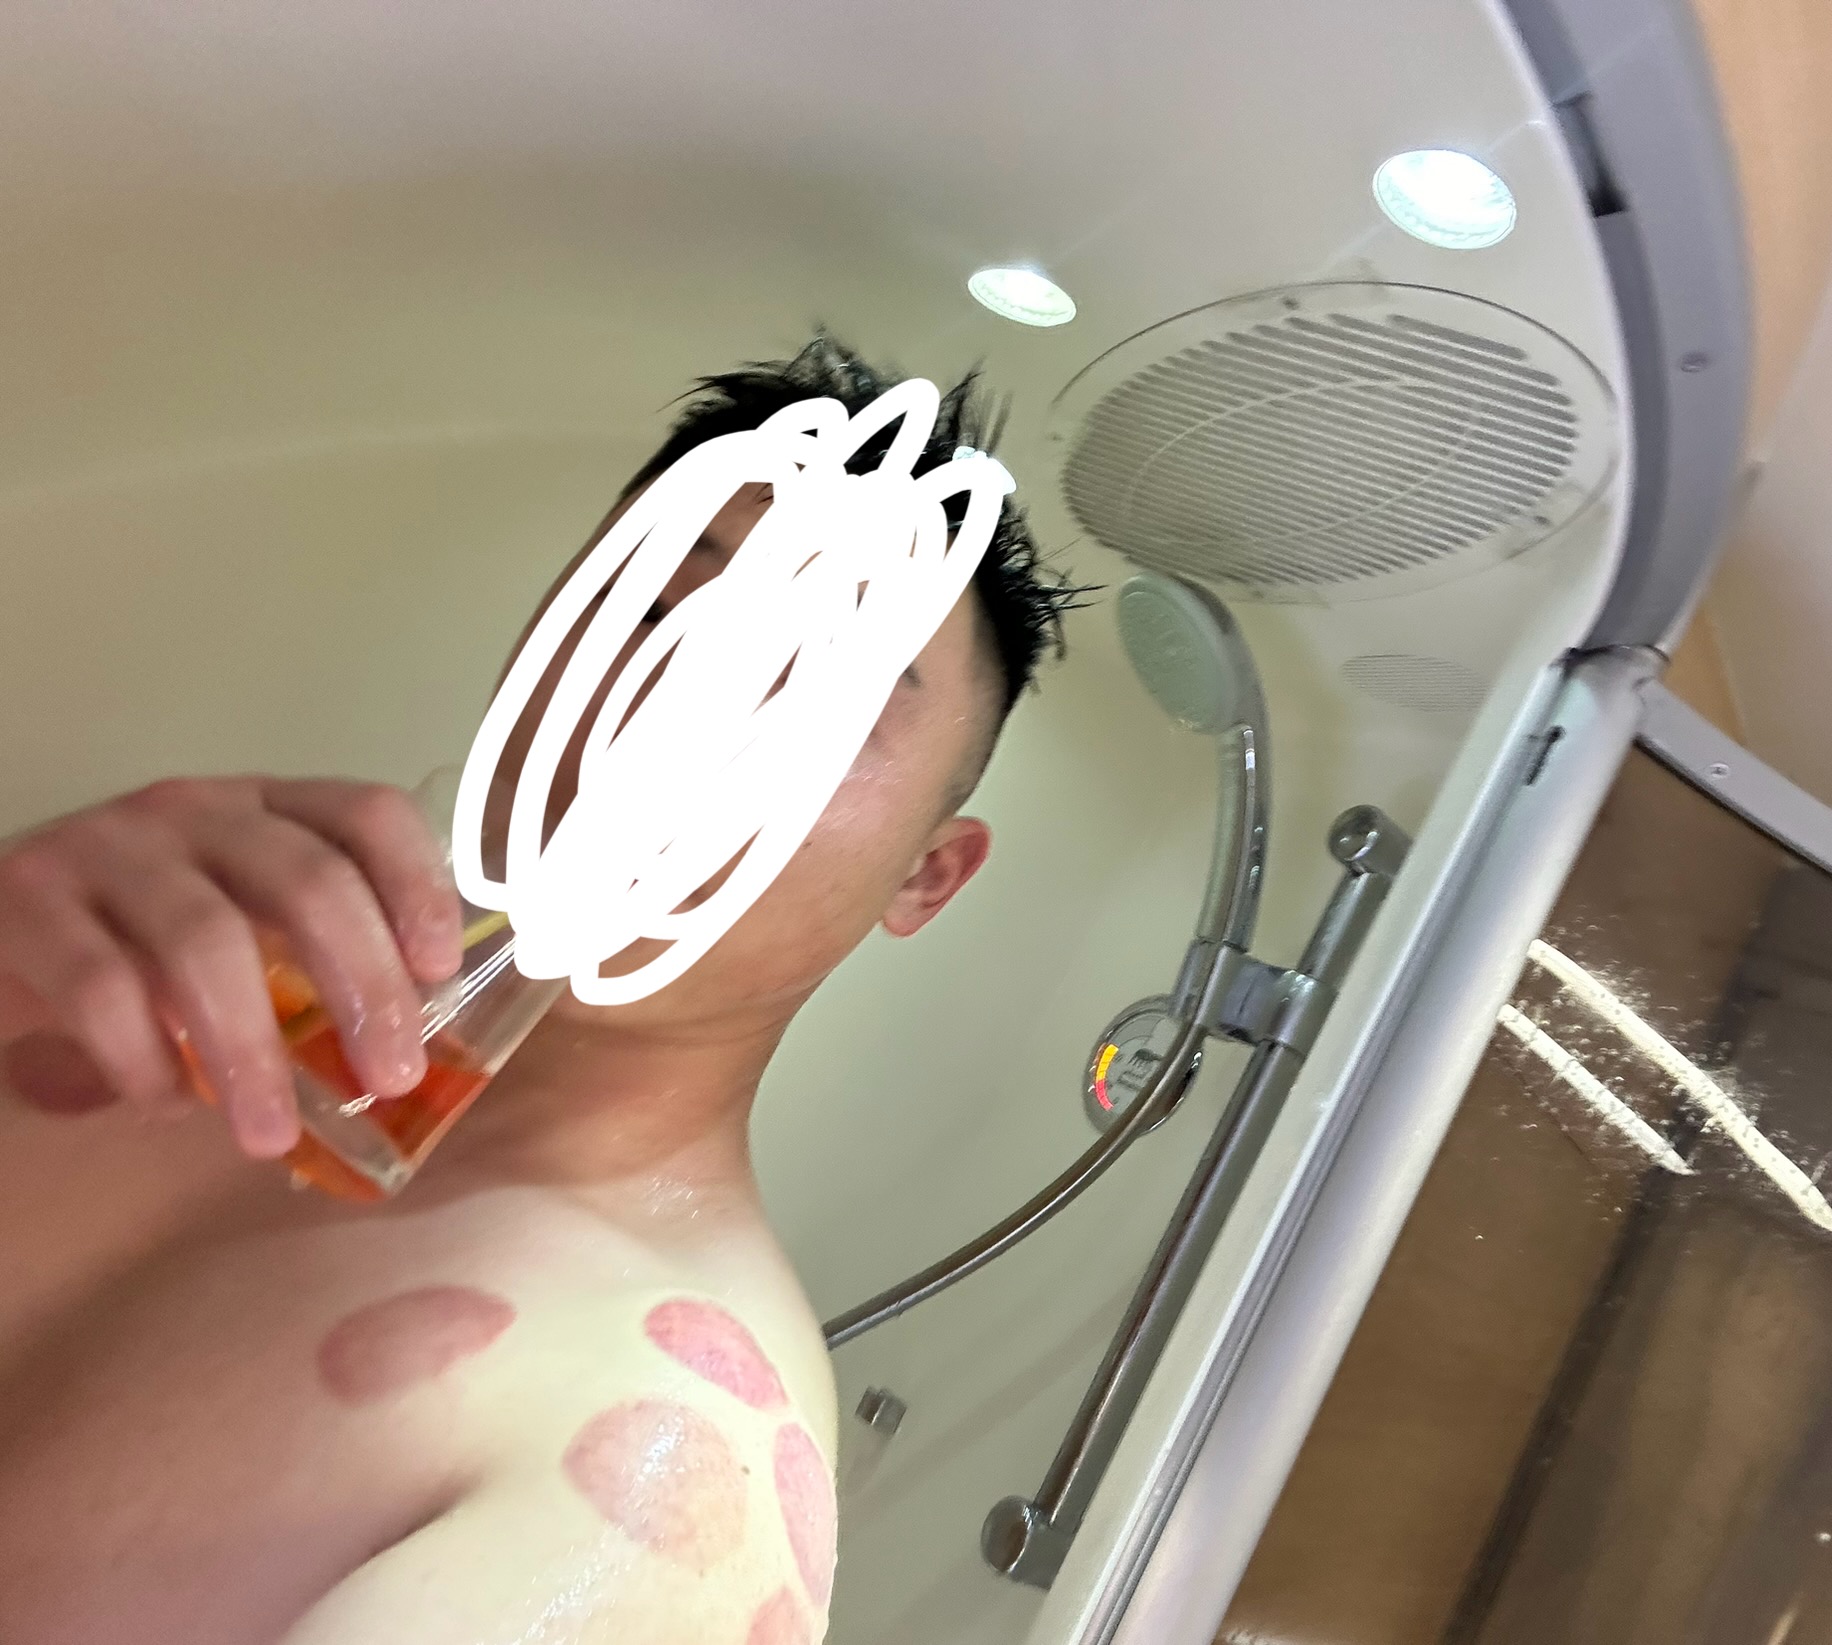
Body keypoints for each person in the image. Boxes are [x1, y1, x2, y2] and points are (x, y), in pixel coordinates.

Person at [0, 334, 1087, 1645]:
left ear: (925, 876)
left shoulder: (664, 1468)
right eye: (655, 613)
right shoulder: (125, 952)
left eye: (823, 690)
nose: (684, 710)